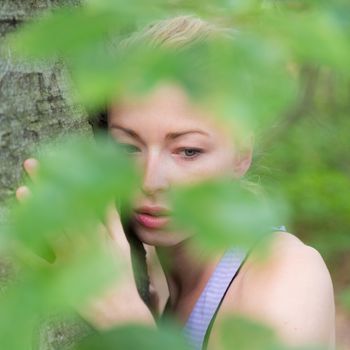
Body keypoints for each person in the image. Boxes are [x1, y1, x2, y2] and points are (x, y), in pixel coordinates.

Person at [16, 15, 335, 350]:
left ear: (241, 155)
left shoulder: (289, 274)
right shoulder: (159, 286)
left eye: (188, 151)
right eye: (128, 147)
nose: (150, 180)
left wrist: (125, 318)